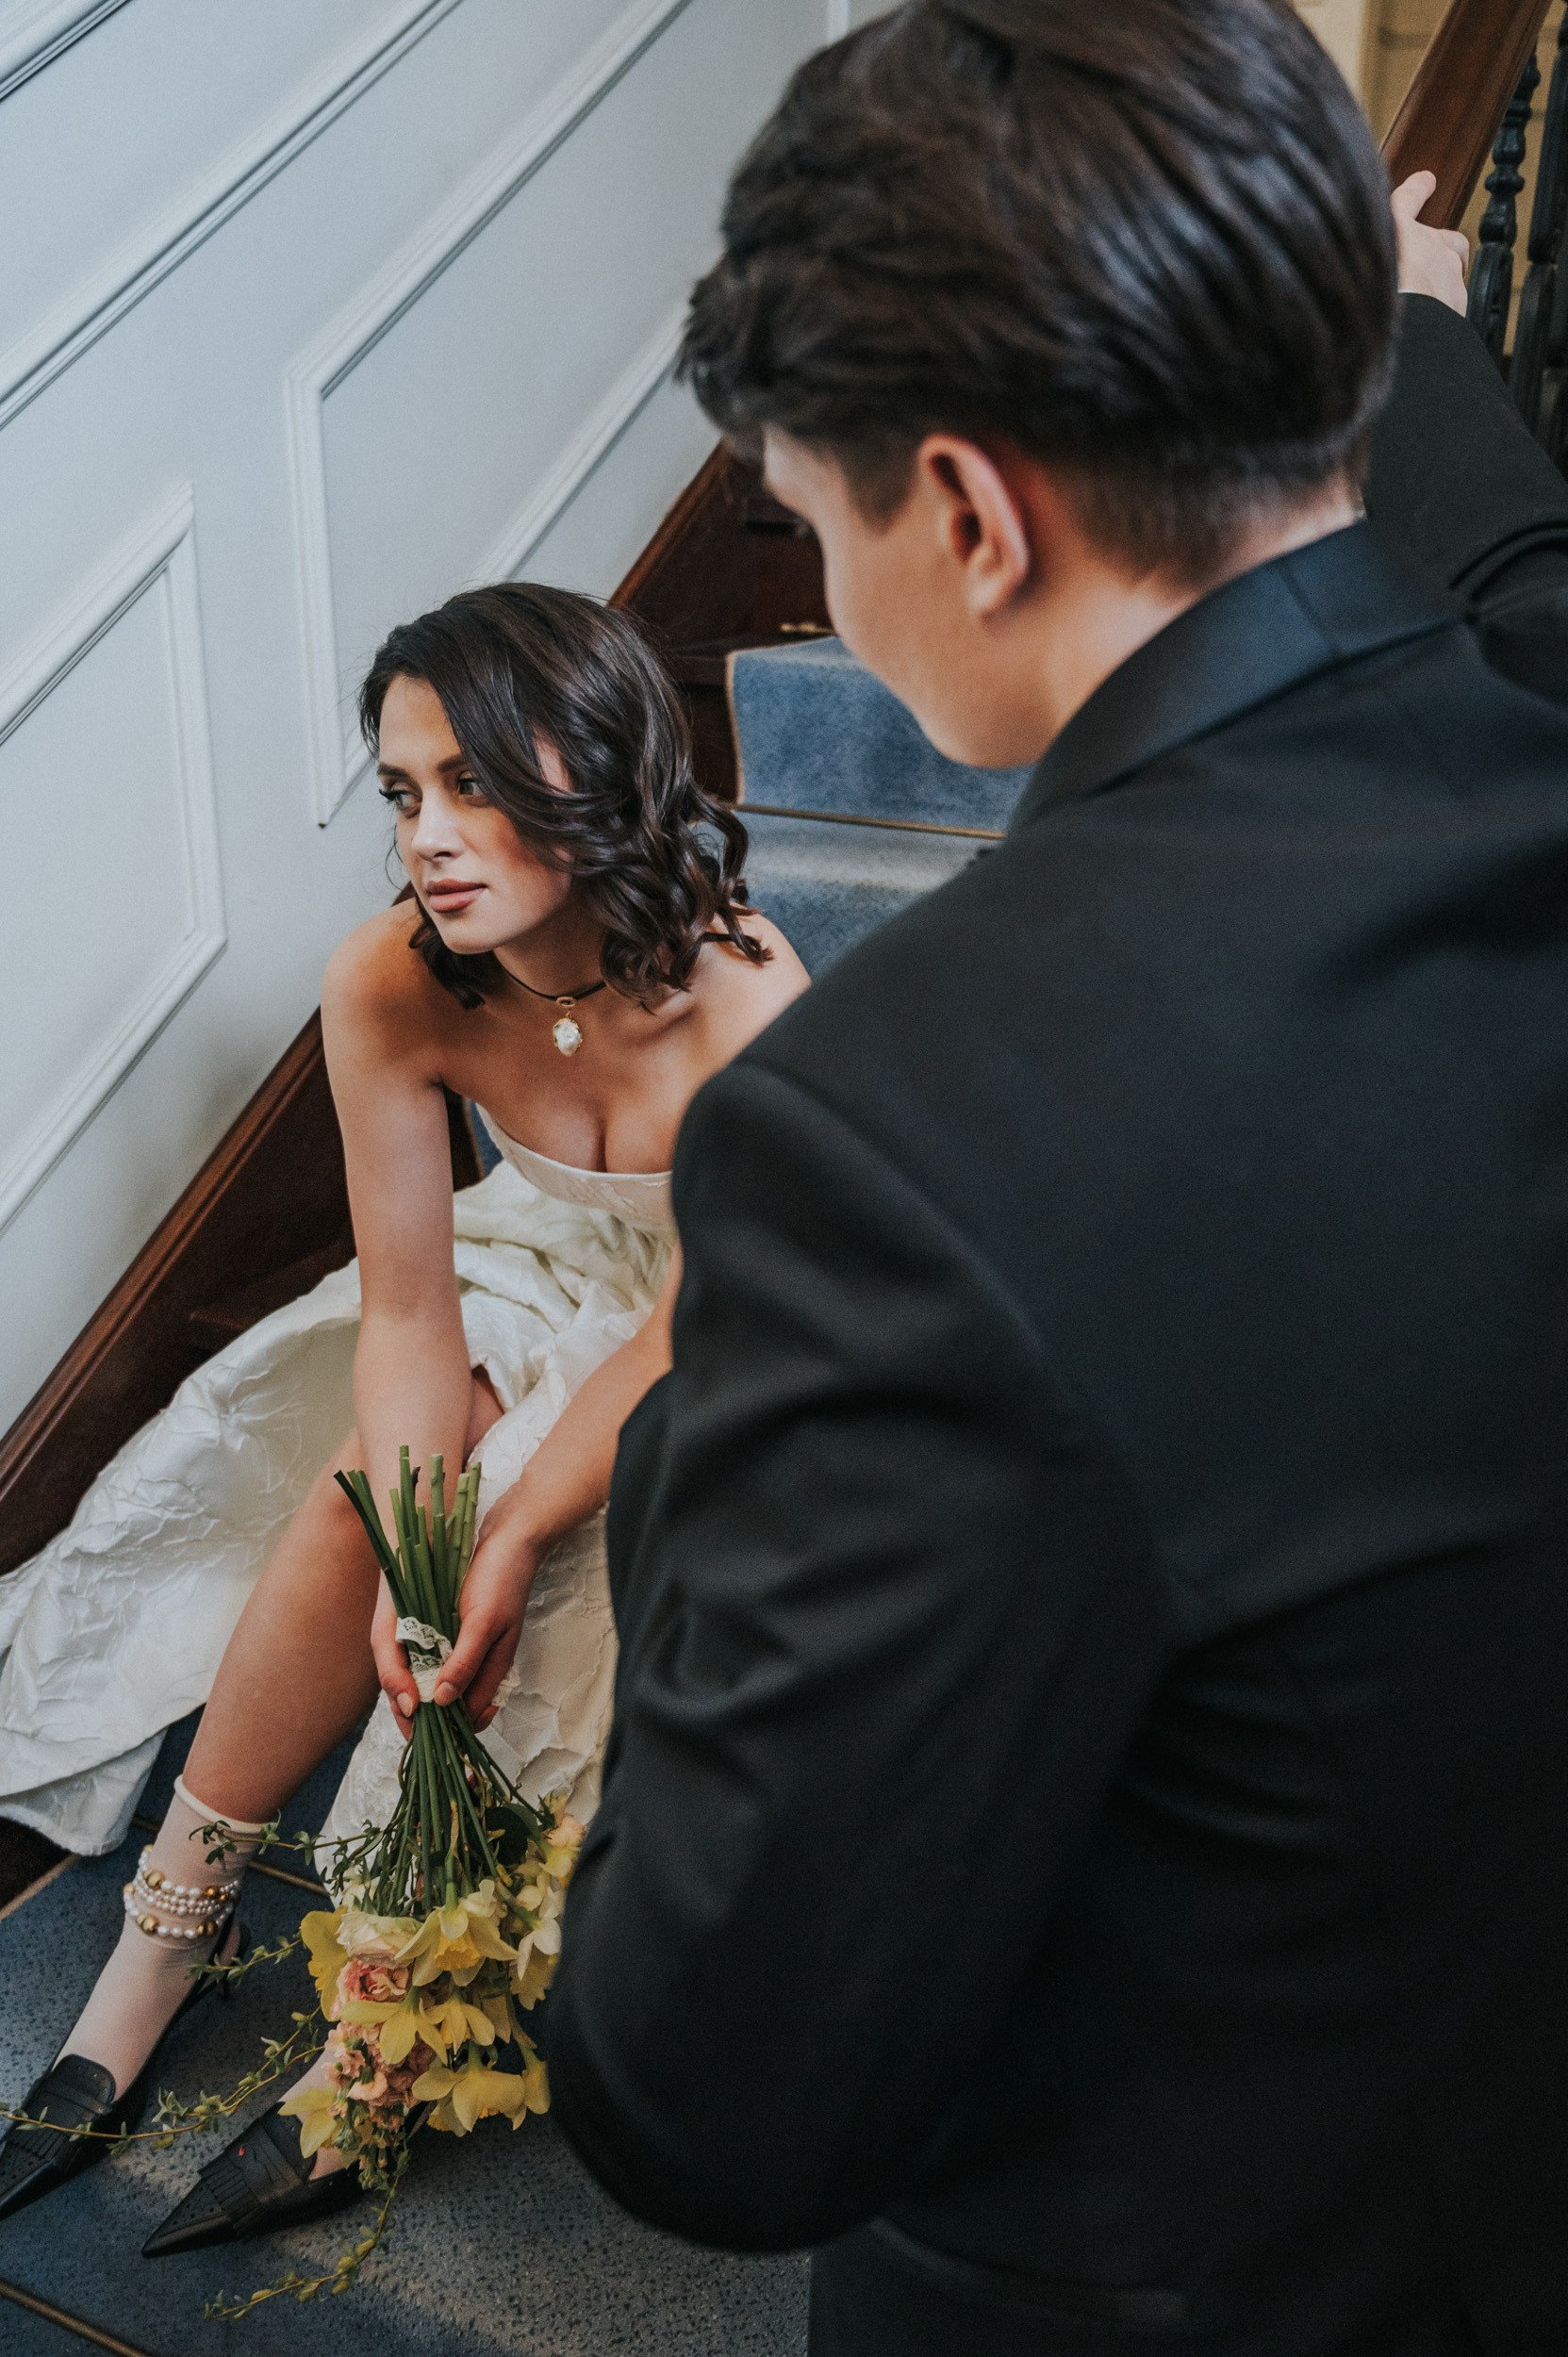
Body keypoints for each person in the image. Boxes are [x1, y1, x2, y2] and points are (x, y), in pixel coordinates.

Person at [543, 7, 1568, 2353]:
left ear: (971, 515)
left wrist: (707, 1394)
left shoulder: (891, 1147)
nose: (828, 585)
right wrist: (1414, 337)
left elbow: (703, 2091)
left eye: (813, 519)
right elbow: (1522, 564)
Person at [0, 584, 806, 2245]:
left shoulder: (743, 997)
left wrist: (501, 1537)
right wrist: (423, 1542)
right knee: (378, 1482)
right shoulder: (390, 978)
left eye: (473, 781)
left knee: (529, 1523)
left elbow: (692, 1321)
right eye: (402, 791)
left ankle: (392, 2026)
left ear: (598, 764)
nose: (427, 835)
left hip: (723, 1314)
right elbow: (413, 1310)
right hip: (530, 1263)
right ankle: (161, 1944)